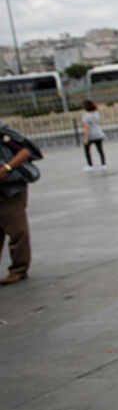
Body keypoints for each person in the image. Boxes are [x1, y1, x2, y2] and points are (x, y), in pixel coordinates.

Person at [1, 120, 41, 286]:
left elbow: (26, 152)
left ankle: (19, 269)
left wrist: (7, 169)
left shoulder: (3, 131)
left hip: (9, 190)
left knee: (17, 231)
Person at [81, 100, 107, 171]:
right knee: (100, 150)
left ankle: (90, 165)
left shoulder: (85, 116)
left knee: (87, 150)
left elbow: (86, 127)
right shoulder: (97, 114)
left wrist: (85, 137)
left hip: (91, 135)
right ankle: (103, 164)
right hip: (98, 133)